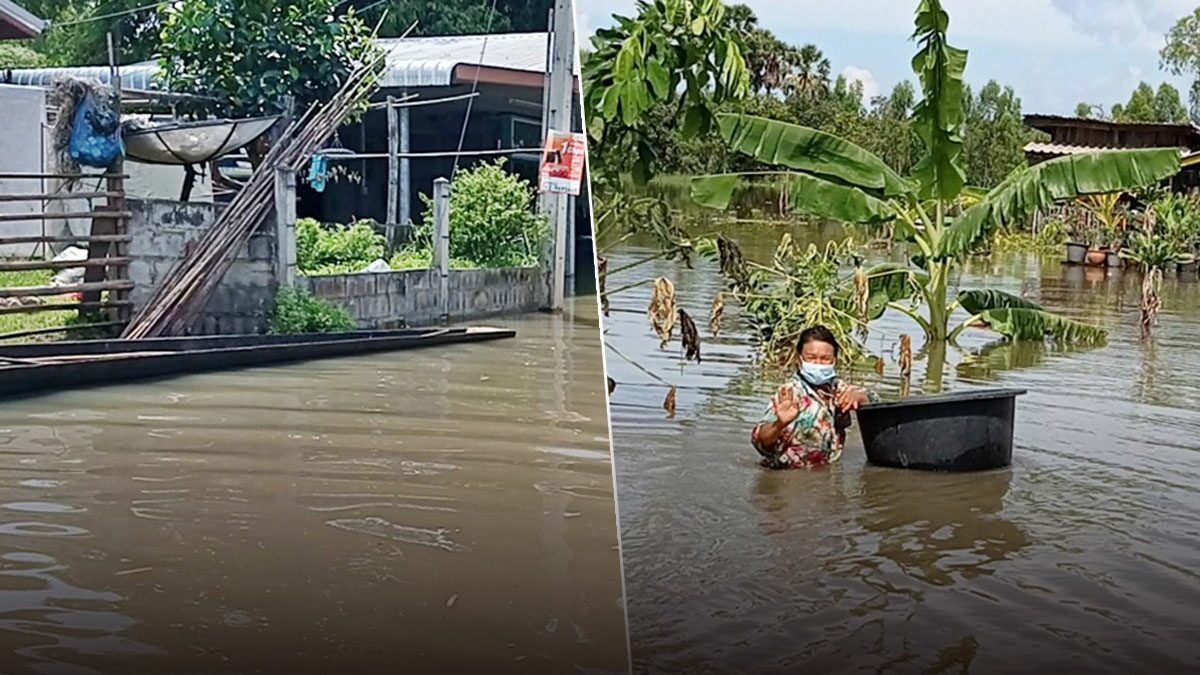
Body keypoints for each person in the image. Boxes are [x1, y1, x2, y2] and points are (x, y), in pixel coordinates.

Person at [750, 325, 877, 469]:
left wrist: (859, 397)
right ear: (799, 359)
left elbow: (875, 401)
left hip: (826, 474)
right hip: (786, 474)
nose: (818, 364)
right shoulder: (790, 393)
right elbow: (760, 439)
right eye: (811, 358)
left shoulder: (837, 389)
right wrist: (780, 424)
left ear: (834, 360)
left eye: (825, 359)